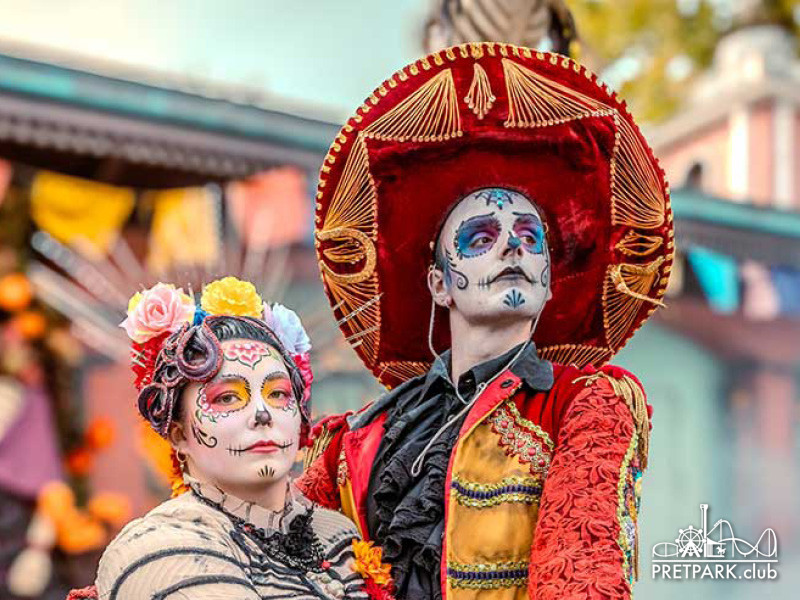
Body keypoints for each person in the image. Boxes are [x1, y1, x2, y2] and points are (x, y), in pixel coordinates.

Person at [299, 43, 673, 599]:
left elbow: (580, 574)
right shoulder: (357, 437)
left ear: (548, 281)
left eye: (529, 238)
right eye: (481, 238)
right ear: (440, 284)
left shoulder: (582, 405)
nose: (512, 249)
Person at [81, 277, 388, 600]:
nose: (262, 413)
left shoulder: (338, 533)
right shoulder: (162, 547)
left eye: (278, 394)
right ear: (178, 434)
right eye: (227, 398)